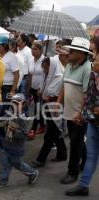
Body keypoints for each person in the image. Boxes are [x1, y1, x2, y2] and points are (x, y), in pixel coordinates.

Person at [57, 37, 92, 184]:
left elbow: (87, 95)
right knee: (76, 141)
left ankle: (73, 172)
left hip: (78, 114)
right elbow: (64, 86)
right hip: (68, 112)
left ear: (81, 53)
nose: (68, 53)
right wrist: (58, 103)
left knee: (75, 143)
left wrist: (80, 113)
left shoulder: (87, 69)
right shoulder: (70, 66)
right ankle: (84, 162)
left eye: (71, 51)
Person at [65, 52, 99, 197]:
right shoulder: (94, 76)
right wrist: (82, 115)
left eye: (97, 58)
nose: (94, 61)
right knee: (91, 156)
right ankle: (83, 186)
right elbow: (88, 99)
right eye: (95, 58)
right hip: (93, 122)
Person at [0, 93, 39, 188]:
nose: (15, 105)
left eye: (17, 103)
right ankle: (3, 181)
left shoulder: (24, 117)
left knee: (18, 164)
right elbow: (1, 121)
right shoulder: (9, 113)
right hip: (7, 144)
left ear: (24, 104)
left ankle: (32, 173)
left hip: (16, 147)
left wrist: (13, 130)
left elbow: (24, 133)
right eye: (13, 103)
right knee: (4, 164)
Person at [31, 57, 67, 168]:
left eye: (47, 69)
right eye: (44, 69)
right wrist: (41, 92)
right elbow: (44, 91)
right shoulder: (47, 77)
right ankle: (62, 154)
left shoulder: (59, 77)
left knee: (50, 135)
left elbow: (54, 94)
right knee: (55, 132)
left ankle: (41, 159)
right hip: (48, 108)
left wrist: (46, 95)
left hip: (55, 108)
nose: (45, 71)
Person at [26, 41, 46, 139]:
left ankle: (33, 129)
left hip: (41, 89)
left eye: (35, 49)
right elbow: (30, 75)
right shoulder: (30, 60)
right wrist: (28, 90)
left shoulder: (45, 60)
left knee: (37, 109)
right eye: (32, 49)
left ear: (41, 50)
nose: (33, 51)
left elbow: (47, 76)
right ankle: (42, 125)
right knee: (39, 108)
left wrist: (42, 89)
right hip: (33, 88)